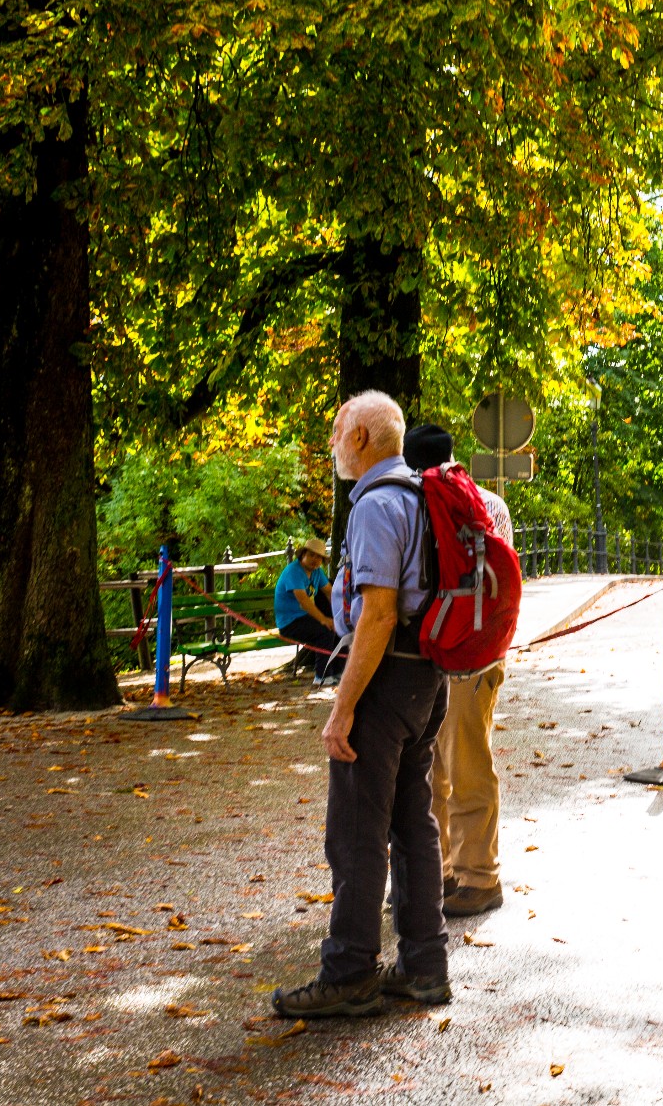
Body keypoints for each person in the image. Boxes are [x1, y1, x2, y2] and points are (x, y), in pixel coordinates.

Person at [273, 391, 449, 1019]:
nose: (331, 443)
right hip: (427, 677)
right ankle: (425, 966)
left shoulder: (377, 505)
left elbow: (376, 614)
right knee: (412, 825)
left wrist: (342, 707)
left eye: (338, 431)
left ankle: (348, 973)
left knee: (355, 834)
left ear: (365, 440)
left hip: (384, 678)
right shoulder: (423, 496)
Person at [403, 422, 510, 919]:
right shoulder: (488, 503)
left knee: (444, 769)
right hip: (480, 653)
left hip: (438, 648)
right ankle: (458, 872)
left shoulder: (422, 501)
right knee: (462, 761)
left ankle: (473, 878)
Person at [274, 537, 339, 682]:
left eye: (319, 557)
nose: (314, 560)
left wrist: (341, 615)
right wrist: (324, 620)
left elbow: (329, 592)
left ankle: (337, 672)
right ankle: (322, 676)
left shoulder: (317, 572)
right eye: (311, 555)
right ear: (303, 554)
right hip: (289, 623)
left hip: (304, 618)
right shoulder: (294, 571)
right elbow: (303, 601)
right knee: (324, 632)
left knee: (339, 627)